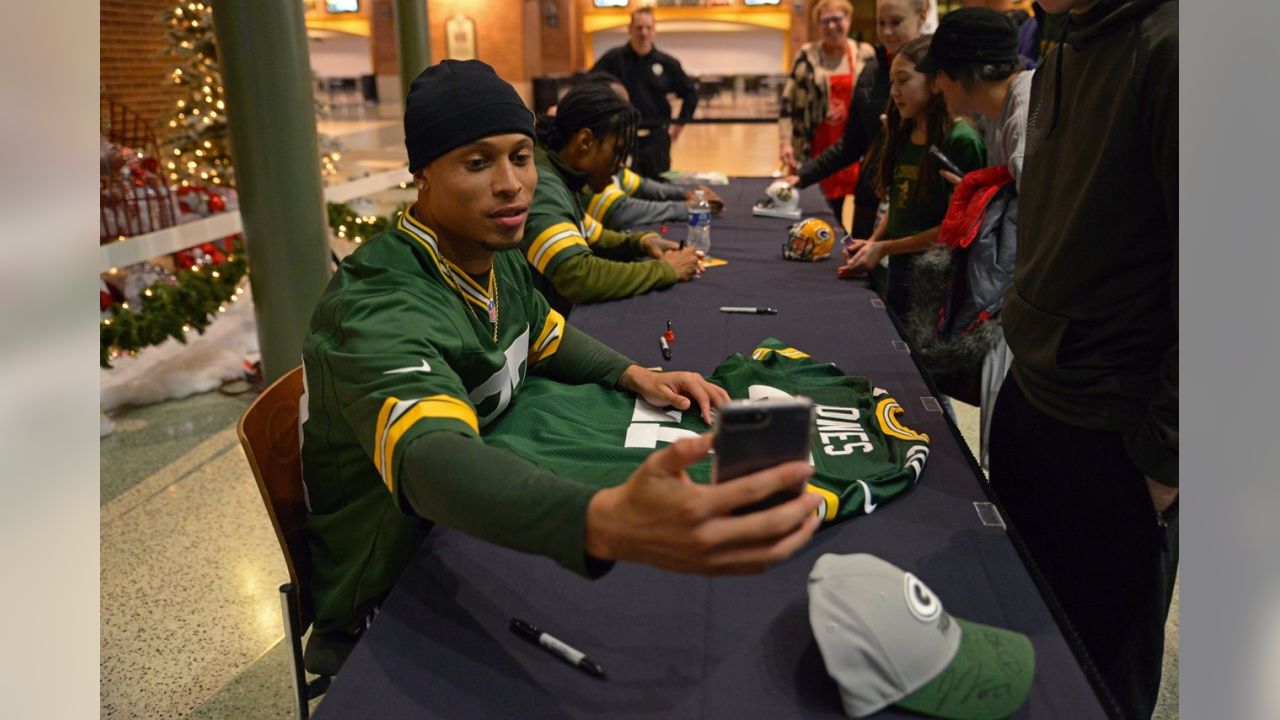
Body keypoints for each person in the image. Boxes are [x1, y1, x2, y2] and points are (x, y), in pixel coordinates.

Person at [300, 60, 823, 649]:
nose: (512, 184)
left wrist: (634, 374)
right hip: (392, 585)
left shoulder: (493, 254)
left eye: (521, 157)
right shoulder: (378, 304)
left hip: (477, 533)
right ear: (422, 175)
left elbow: (547, 334)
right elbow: (427, 460)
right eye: (478, 163)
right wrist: (601, 522)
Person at [988, 1, 1177, 717]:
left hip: (1113, 437)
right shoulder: (1067, 40)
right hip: (1036, 399)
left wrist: (1166, 457)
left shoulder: (1180, 46)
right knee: (1025, 653)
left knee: (1095, 685)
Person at [910, 7, 1031, 462]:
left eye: (940, 74)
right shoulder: (1001, 115)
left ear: (965, 71)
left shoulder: (1026, 113)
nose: (936, 87)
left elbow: (1038, 220)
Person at [838, 36, 985, 320]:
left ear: (934, 81)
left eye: (903, 81)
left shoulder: (960, 141)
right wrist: (873, 243)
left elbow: (954, 230)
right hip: (900, 267)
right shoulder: (903, 130)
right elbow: (899, 203)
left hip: (938, 279)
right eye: (892, 82)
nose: (893, 92)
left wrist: (884, 248)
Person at [523, 82, 703, 314]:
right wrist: (665, 270)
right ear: (585, 142)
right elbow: (578, 277)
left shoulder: (561, 173)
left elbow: (592, 235)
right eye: (617, 152)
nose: (620, 166)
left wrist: (640, 242)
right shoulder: (544, 184)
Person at [783, 0, 929, 239]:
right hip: (870, 202)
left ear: (921, 17)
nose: (887, 32)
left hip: (916, 211)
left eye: (896, 22)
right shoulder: (871, 70)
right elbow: (852, 144)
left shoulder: (940, 73)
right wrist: (803, 175)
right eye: (881, 23)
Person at [575, 72, 725, 229]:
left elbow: (640, 185)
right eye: (622, 111)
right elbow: (620, 212)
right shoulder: (586, 164)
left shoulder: (600, 152)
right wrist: (689, 206)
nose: (622, 165)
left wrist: (685, 195)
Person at [778, 0, 876, 224]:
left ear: (848, 19)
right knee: (823, 214)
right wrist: (785, 142)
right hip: (816, 149)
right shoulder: (807, 56)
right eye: (825, 21)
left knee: (861, 209)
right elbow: (788, 104)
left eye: (837, 19)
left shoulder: (864, 54)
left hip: (854, 148)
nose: (832, 26)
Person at [591, 7, 698, 179]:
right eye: (639, 28)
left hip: (657, 141)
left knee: (658, 188)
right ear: (630, 29)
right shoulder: (613, 59)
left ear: (654, 30)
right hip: (621, 140)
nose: (644, 33)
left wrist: (678, 126)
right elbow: (589, 85)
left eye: (648, 28)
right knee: (622, 188)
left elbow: (690, 94)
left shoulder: (668, 63)